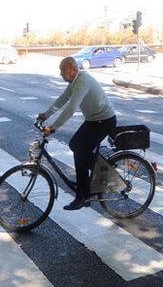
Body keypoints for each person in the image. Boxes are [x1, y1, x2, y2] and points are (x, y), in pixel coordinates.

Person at [38, 56, 117, 211]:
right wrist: (45, 115)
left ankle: (84, 194)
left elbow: (71, 108)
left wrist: (54, 127)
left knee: (81, 150)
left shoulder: (82, 80)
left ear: (73, 68)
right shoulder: (74, 81)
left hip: (105, 120)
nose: (61, 74)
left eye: (63, 71)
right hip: (94, 120)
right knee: (76, 145)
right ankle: (101, 173)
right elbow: (62, 100)